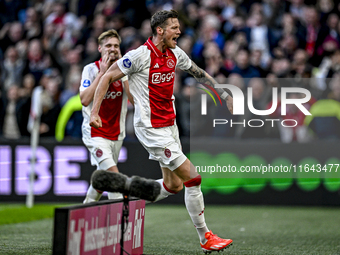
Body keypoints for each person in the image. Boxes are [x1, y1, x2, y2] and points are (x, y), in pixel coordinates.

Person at [90, 10, 233, 253]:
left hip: (170, 125)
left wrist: (222, 92)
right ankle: (205, 237)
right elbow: (106, 78)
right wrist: (94, 112)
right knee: (193, 178)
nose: (179, 32)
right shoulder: (139, 56)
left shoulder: (175, 53)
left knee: (173, 185)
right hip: (151, 128)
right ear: (160, 30)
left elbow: (198, 72)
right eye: (174, 28)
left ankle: (127, 195)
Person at [80, 29, 132, 203]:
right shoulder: (90, 70)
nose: (112, 49)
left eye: (116, 46)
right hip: (95, 133)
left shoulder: (125, 72)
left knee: (102, 181)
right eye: (108, 45)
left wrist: (123, 73)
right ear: (100, 48)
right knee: (114, 177)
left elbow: (133, 99)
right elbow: (85, 99)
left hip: (116, 134)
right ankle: (119, 227)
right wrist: (102, 74)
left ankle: (84, 214)